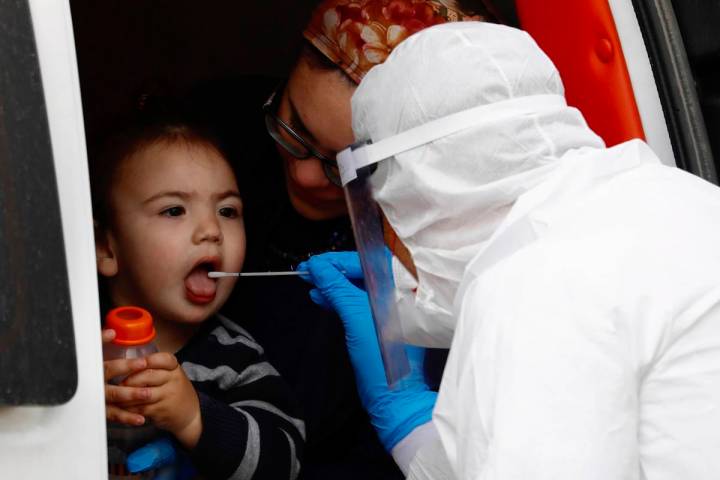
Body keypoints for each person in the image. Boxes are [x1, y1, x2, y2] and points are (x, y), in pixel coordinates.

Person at [300, 21, 720, 479]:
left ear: (423, 191)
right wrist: (410, 427)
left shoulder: (528, 286)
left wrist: (401, 409)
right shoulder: (673, 196)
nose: (392, 242)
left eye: (387, 212)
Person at [187, 1, 499, 478]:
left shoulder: (449, 267)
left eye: (351, 167)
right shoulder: (214, 135)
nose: (308, 175)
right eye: (295, 129)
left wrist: (409, 421)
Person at [91, 106, 305, 479]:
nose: (211, 230)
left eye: (227, 210)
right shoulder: (68, 346)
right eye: (174, 210)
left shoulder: (237, 360)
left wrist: (194, 416)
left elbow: (285, 462)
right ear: (105, 248)